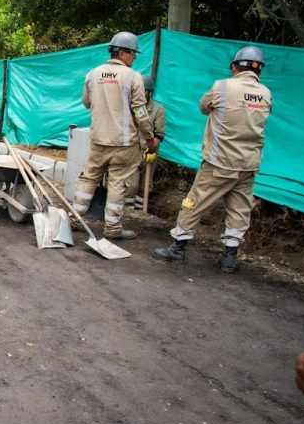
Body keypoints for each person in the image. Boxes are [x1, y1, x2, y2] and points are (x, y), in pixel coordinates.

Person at [152, 46, 272, 271]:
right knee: (239, 209)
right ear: (259, 71)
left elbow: (203, 107)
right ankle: (229, 257)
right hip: (248, 164)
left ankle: (178, 248)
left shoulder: (223, 87)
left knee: (193, 202)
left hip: (220, 162)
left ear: (234, 67)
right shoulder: (265, 93)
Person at [73, 31, 159, 241]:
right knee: (117, 184)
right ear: (123, 53)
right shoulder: (133, 77)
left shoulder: (92, 74)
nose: (135, 57)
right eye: (133, 53)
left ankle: (74, 219)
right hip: (124, 143)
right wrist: (149, 137)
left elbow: (86, 103)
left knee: (88, 178)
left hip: (98, 139)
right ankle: (112, 229)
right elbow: (140, 110)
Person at [126, 74, 167, 210]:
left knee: (144, 187)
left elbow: (159, 132)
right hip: (132, 151)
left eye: (143, 91)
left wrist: (153, 147)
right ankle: (128, 211)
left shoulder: (157, 109)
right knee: (131, 185)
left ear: (149, 92)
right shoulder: (129, 107)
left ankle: (139, 214)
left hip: (149, 151)